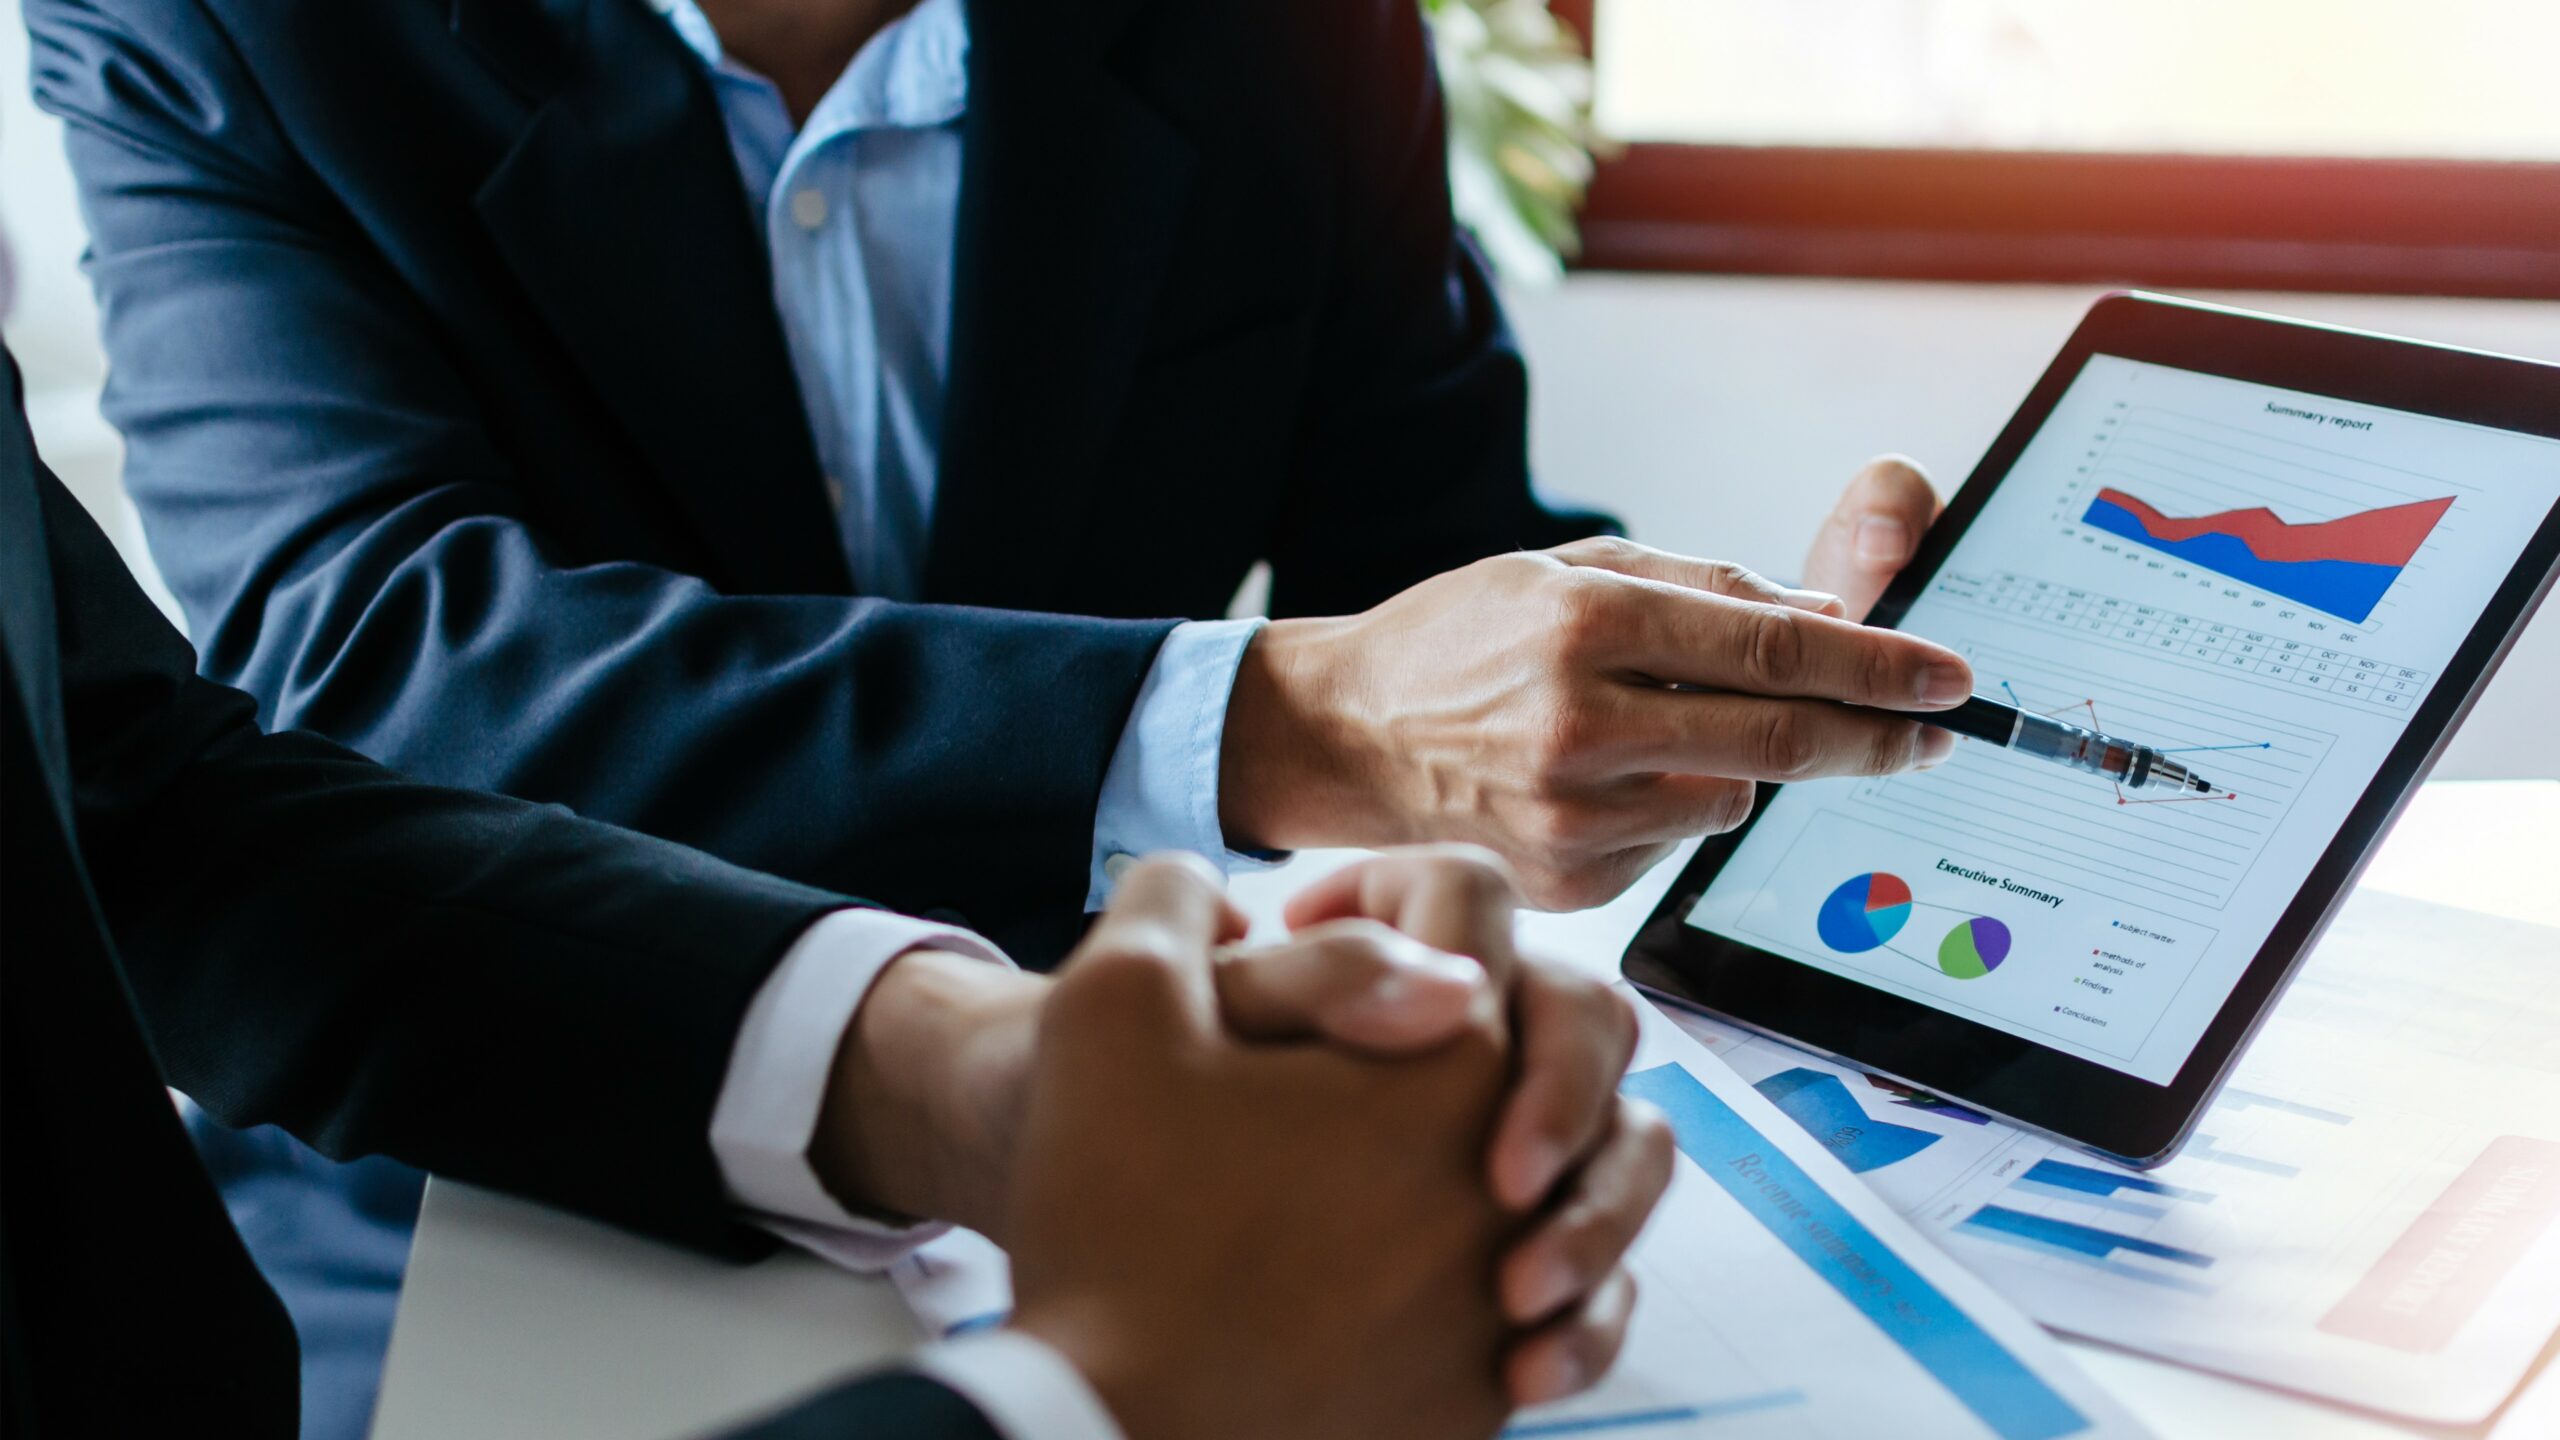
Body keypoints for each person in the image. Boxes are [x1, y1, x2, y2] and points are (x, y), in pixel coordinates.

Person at [27, 0, 1968, 1425]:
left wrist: (1745, 663)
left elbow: (1433, 562)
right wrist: (1277, 720)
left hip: (1166, 1079)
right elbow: (383, 663)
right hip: (495, 1164)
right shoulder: (224, 27)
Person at [0, 353, 1672, 1437]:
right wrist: (1100, 1398)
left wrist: (978, 1082)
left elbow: (137, 805)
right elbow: (386, 653)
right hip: (445, 1248)